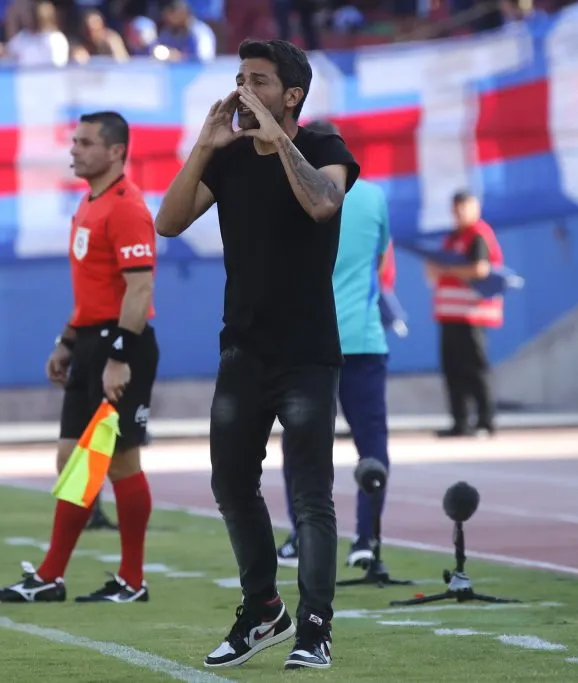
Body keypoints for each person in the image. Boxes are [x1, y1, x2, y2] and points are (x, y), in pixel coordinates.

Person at [156, 39, 360, 671]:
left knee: (310, 496)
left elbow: (323, 203)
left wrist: (278, 140)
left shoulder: (325, 149)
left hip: (306, 351)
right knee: (230, 484)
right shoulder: (231, 158)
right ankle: (263, 609)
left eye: (259, 80)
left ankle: (315, 629)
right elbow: (167, 222)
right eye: (239, 77)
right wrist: (205, 145)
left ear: (290, 94)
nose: (243, 88)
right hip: (242, 349)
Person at [0, 111, 160, 605]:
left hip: (120, 346)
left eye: (85, 143)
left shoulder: (127, 207)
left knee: (121, 462)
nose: (74, 150)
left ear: (115, 152)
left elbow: (140, 287)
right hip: (90, 343)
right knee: (71, 458)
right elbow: (95, 289)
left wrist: (119, 356)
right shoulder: (89, 204)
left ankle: (129, 580)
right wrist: (67, 340)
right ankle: (53, 576)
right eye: (74, 142)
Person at [275, 122, 392, 573]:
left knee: (302, 444)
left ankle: (301, 535)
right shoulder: (374, 196)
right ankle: (366, 540)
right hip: (362, 338)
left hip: (308, 338)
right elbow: (380, 258)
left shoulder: (290, 189)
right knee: (371, 444)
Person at [427, 190, 504, 438]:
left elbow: (480, 269)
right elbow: (434, 274)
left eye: (464, 207)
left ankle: (485, 419)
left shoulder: (478, 235)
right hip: (449, 316)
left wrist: (449, 269)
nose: (460, 213)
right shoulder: (451, 238)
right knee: (453, 370)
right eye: (456, 208)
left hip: (472, 315)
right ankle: (460, 421)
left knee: (475, 369)